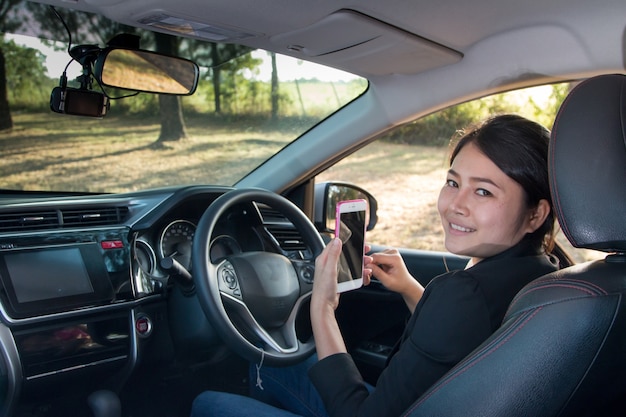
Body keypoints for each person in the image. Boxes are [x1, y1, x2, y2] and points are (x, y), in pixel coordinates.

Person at [190, 114, 559, 417]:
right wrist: (411, 288)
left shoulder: (466, 294)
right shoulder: (546, 274)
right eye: (452, 182)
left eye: (483, 191)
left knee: (206, 403)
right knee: (266, 363)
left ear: (535, 214)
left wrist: (322, 308)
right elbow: (471, 348)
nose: (454, 205)